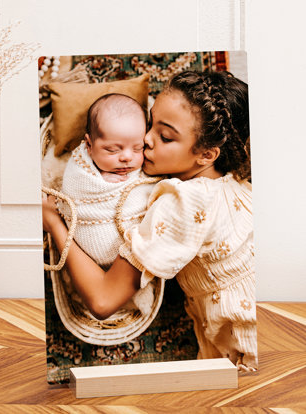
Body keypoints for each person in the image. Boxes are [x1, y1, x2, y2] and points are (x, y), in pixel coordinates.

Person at [43, 70, 257, 372]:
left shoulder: (179, 204)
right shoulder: (232, 176)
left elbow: (103, 301)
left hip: (247, 338)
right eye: (150, 123)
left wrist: (53, 222)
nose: (145, 140)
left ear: (207, 154)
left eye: (165, 136)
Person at [57, 93, 159, 314]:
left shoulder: (143, 168)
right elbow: (73, 192)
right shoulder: (80, 168)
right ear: (89, 145)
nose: (126, 158)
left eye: (137, 148)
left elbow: (150, 188)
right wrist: (101, 179)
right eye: (113, 150)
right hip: (87, 248)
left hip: (128, 259)